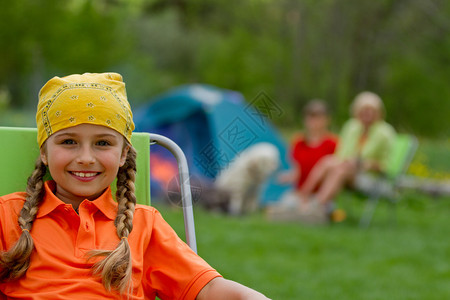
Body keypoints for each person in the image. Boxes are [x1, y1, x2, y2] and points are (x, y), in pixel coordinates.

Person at [0, 73, 269, 299]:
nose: (85, 157)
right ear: (44, 151)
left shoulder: (144, 225)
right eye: (68, 142)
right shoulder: (7, 216)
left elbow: (208, 289)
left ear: (123, 154)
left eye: (102, 143)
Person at [299, 91, 396, 219]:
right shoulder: (352, 127)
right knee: (328, 161)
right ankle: (302, 198)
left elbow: (390, 166)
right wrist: (348, 162)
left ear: (379, 113)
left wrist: (366, 164)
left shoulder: (385, 133)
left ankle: (317, 206)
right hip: (349, 170)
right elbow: (341, 154)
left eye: (371, 111)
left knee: (339, 170)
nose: (367, 114)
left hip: (373, 178)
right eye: (364, 110)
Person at [278, 100, 337, 192]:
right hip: (299, 191)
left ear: (327, 120)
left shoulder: (333, 143)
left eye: (318, 117)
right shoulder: (298, 142)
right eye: (311, 117)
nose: (314, 121)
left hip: (322, 194)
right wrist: (286, 177)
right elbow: (297, 171)